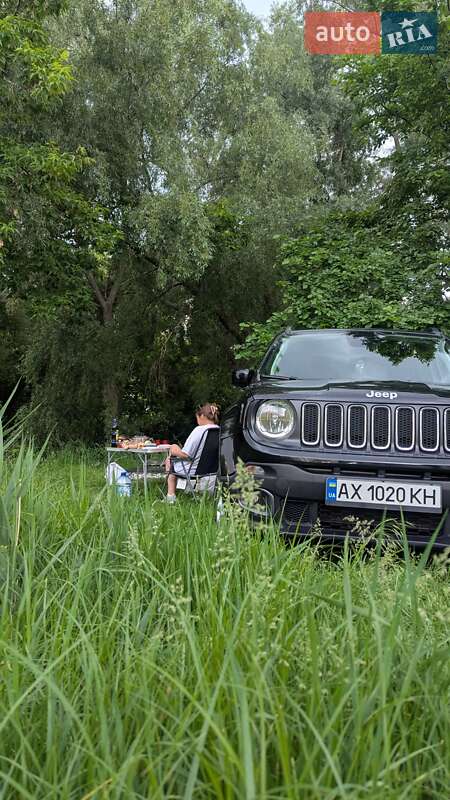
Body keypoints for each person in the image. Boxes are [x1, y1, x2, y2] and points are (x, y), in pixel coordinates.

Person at [165, 403, 220, 503]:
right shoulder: (219, 430)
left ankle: (171, 497)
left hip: (193, 469)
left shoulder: (199, 430)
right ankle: (188, 491)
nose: (197, 421)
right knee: (174, 453)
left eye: (197, 418)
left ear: (202, 416)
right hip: (210, 469)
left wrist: (173, 449)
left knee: (170, 461)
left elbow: (186, 454)